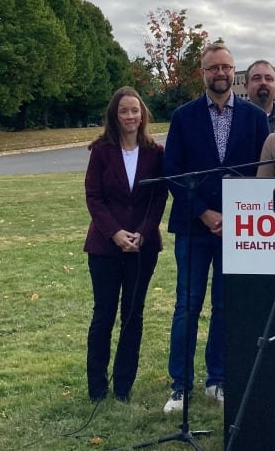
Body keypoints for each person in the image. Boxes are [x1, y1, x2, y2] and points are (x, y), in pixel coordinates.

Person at [163, 43, 269, 413]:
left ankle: (218, 379)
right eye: (213, 68)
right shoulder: (183, 116)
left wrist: (238, 216)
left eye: (226, 67)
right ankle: (180, 385)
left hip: (237, 230)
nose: (220, 73)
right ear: (203, 72)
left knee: (226, 306)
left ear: (234, 71)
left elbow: (262, 172)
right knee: (187, 306)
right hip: (194, 226)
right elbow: (173, 172)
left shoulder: (255, 118)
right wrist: (206, 213)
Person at [83, 86, 168, 403]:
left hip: (142, 248)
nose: (131, 116)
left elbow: (159, 195)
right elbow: (94, 196)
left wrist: (143, 233)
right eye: (124, 111)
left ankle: (123, 386)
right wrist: (115, 232)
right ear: (114, 116)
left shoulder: (155, 153)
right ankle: (97, 387)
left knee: (133, 315)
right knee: (104, 314)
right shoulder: (101, 152)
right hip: (105, 247)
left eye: (135, 110)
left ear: (142, 114)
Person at [244, 59, 275, 133]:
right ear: (246, 87)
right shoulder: (235, 120)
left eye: (268, 78)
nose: (263, 82)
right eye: (257, 78)